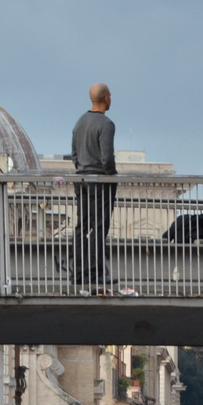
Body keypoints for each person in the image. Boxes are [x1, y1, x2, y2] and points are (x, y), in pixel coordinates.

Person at [68, 82, 118, 291]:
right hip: (100, 182)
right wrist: (112, 175)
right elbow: (106, 158)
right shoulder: (106, 124)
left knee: (83, 226)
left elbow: (74, 154)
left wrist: (82, 169)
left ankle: (79, 273)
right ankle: (97, 273)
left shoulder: (80, 122)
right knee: (99, 227)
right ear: (106, 98)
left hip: (81, 181)